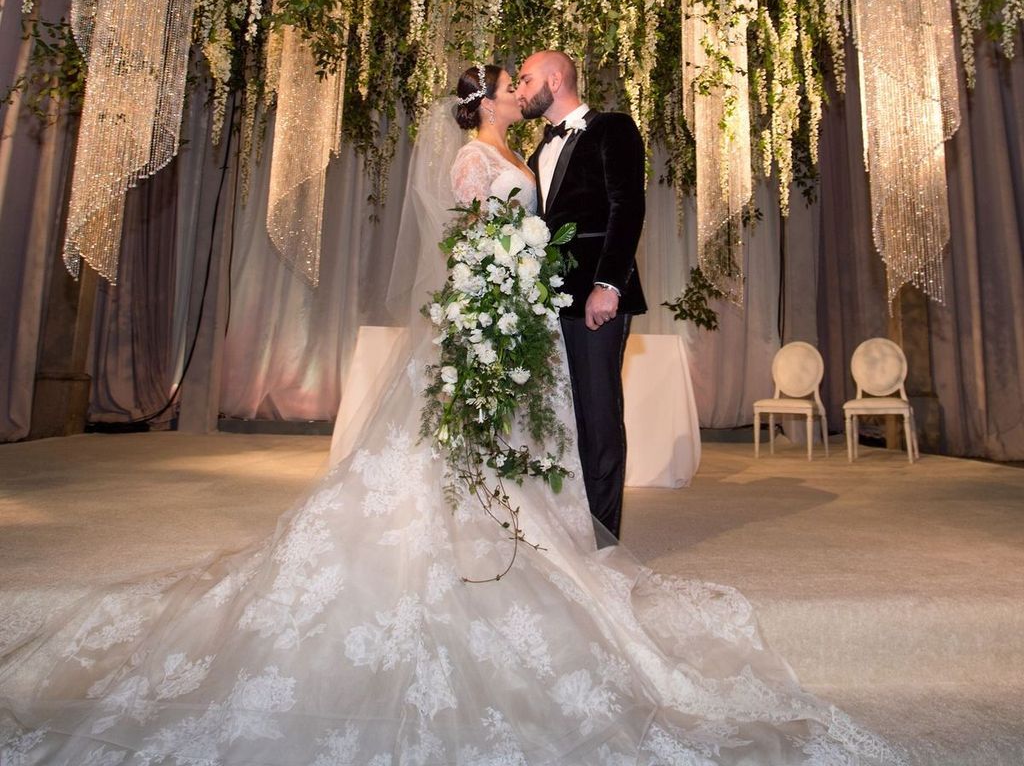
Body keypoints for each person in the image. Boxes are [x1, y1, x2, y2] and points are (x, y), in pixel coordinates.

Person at [0, 65, 905, 765]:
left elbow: (587, 215)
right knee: (464, 446)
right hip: (499, 309)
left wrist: (558, 279)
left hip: (534, 311)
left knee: (543, 437)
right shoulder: (481, 158)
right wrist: (503, 287)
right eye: (509, 83)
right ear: (488, 104)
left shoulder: (536, 148)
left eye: (525, 79)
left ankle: (557, 530)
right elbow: (471, 239)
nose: (521, 89)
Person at [517, 50, 645, 541]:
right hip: (551, 298)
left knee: (597, 413)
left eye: (526, 79)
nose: (521, 89)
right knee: (561, 416)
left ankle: (603, 537)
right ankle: (567, 527)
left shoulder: (613, 128)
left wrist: (608, 285)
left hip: (596, 294)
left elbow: (627, 206)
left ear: (556, 77)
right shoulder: (537, 152)